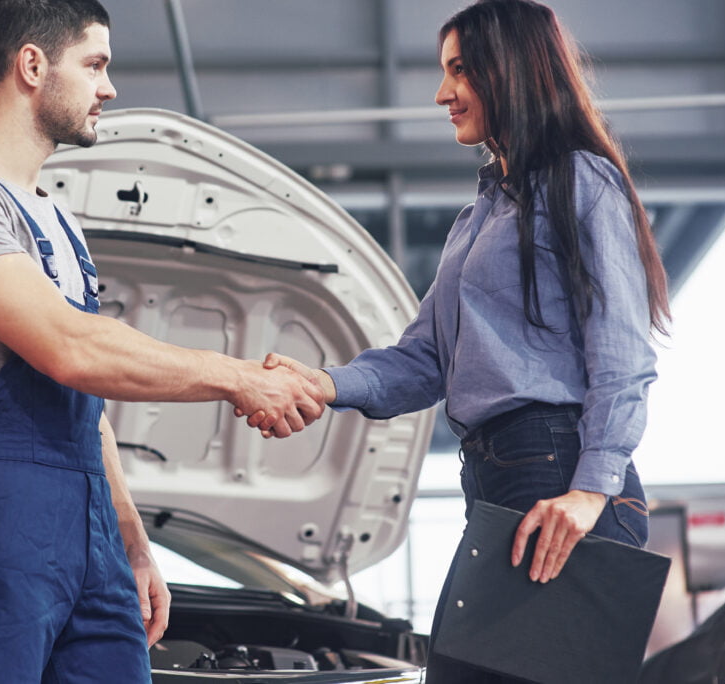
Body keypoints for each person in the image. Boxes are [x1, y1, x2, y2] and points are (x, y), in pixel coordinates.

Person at [0, 1, 324, 681]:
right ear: (32, 65)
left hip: (89, 531)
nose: (109, 88)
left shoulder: (59, 220)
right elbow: (70, 347)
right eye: (95, 64)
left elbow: (86, 401)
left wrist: (130, 537)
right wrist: (240, 377)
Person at [258, 0, 670, 681]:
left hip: (558, 477)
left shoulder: (582, 180)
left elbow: (623, 353)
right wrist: (320, 383)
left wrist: (591, 490)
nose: (442, 93)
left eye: (459, 70)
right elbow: (422, 361)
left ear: (509, 70)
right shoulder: (475, 219)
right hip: (498, 481)